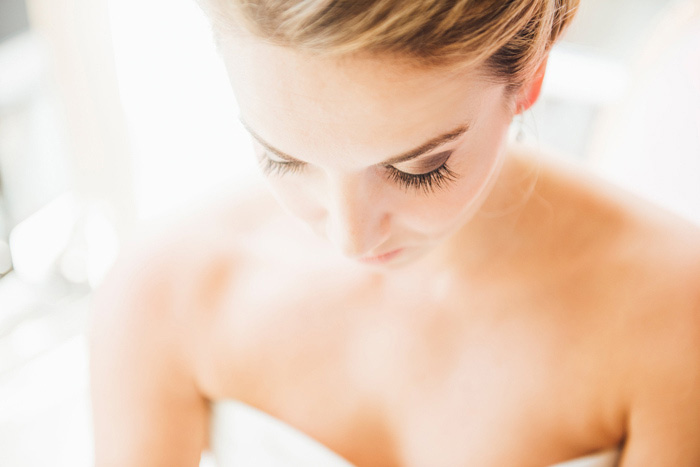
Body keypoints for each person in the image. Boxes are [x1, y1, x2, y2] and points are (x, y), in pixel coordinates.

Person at [89, 1, 700, 466]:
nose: (351, 238)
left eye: (418, 168)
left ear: (530, 76)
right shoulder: (161, 293)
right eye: (282, 158)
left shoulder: (673, 312)